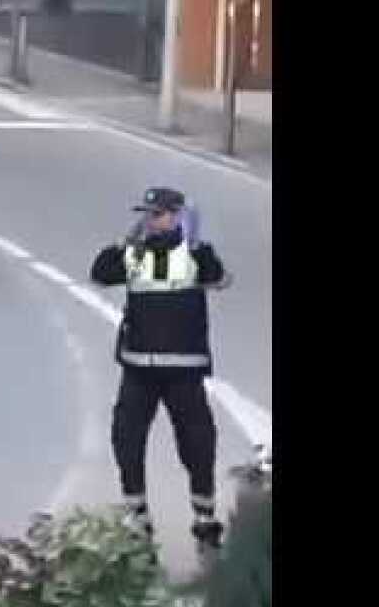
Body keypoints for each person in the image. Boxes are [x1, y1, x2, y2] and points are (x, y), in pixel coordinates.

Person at [90, 187, 232, 553]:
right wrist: (125, 240)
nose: (150, 221)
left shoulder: (194, 253)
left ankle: (204, 517)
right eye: (146, 214)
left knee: (197, 443)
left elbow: (218, 277)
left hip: (183, 369)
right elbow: (100, 273)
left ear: (176, 215)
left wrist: (198, 245)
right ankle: (137, 517)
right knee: (126, 438)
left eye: (157, 214)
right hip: (139, 367)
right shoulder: (134, 253)